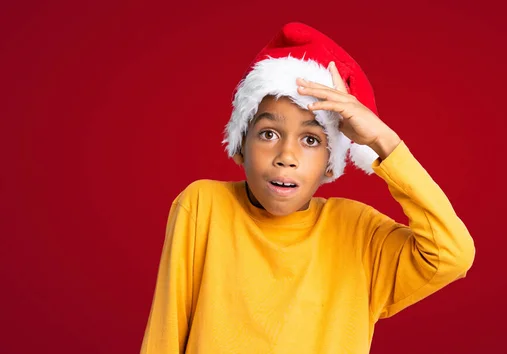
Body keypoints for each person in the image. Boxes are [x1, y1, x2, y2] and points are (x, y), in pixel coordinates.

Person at [140, 22, 475, 354]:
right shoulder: (202, 206)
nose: (286, 156)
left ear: (331, 165)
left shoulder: (358, 233)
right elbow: (165, 335)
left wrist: (382, 141)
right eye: (268, 133)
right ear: (240, 144)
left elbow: (451, 254)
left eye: (311, 139)